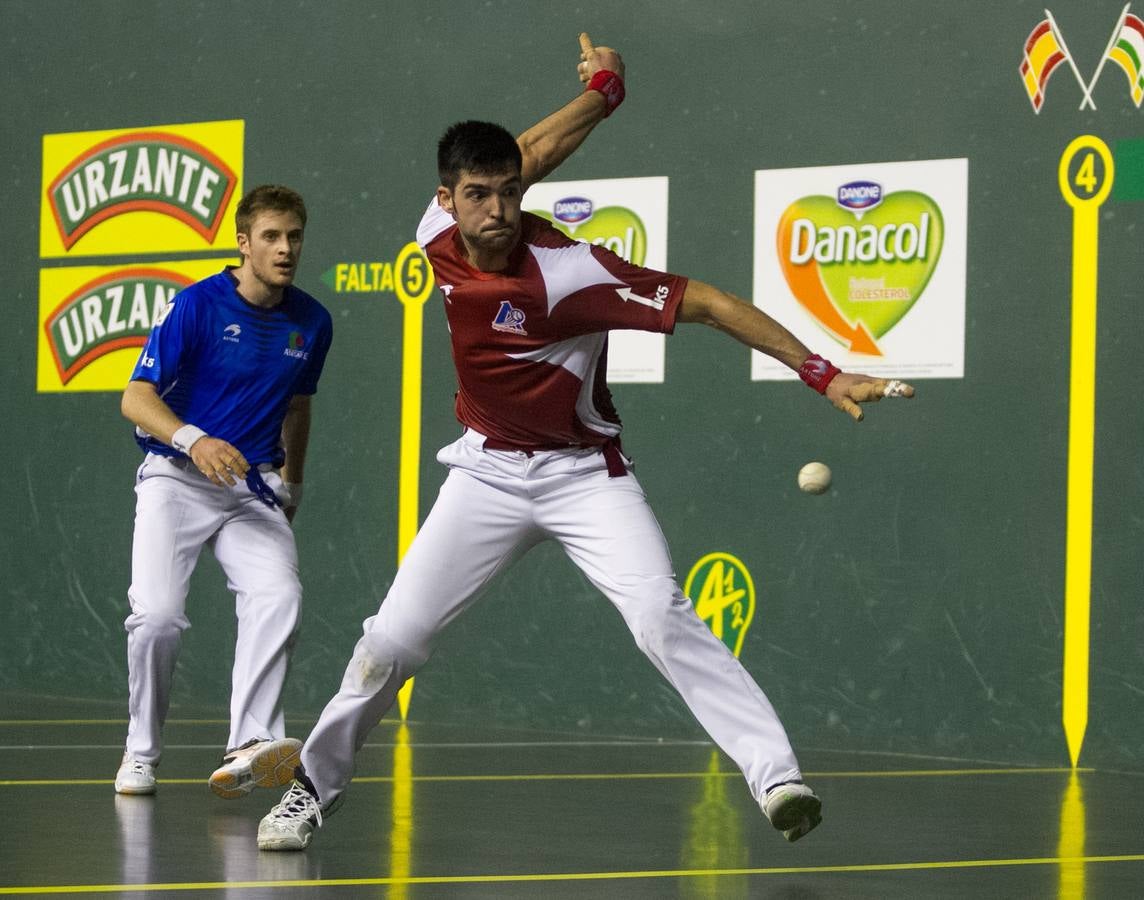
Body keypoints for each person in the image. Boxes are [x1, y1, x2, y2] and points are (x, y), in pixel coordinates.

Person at [257, 35, 913, 851]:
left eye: (508, 193)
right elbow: (534, 148)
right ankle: (311, 790)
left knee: (658, 613)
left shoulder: (573, 272)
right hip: (487, 474)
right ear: (446, 200)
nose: (498, 210)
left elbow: (708, 304)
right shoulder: (435, 236)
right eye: (477, 195)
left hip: (584, 478)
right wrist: (603, 91)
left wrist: (823, 372)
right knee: (391, 640)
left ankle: (778, 778)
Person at [114, 184, 334, 800]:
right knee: (157, 617)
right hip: (176, 477)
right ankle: (140, 752)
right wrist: (195, 440)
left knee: (278, 594)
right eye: (271, 236)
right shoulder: (197, 306)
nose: (285, 248)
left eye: (294, 236)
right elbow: (135, 396)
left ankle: (250, 742)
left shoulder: (313, 322)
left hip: (250, 488)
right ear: (243, 243)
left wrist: (293, 481)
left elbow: (298, 404)